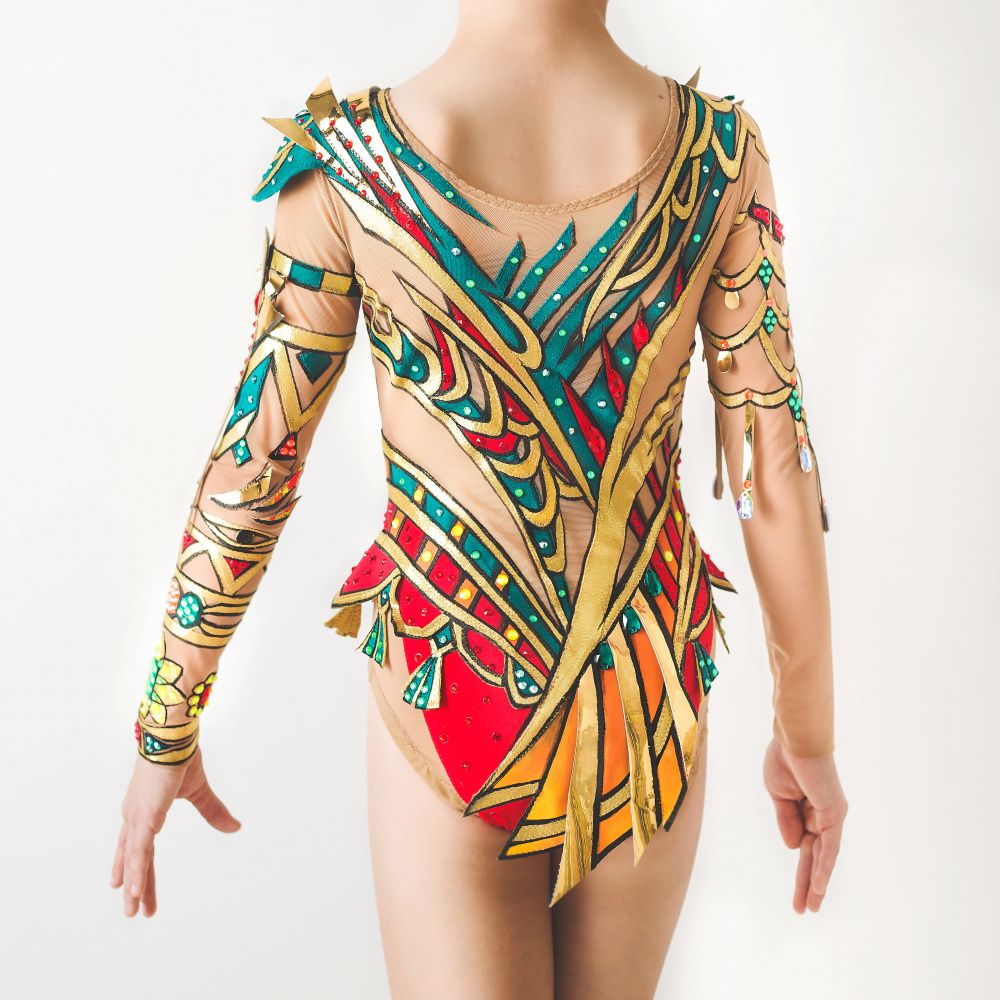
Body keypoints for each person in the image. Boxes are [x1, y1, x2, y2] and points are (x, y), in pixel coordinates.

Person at [111, 1, 848, 995]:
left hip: (451, 675)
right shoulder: (719, 156)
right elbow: (772, 466)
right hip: (645, 691)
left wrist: (168, 721)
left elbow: (259, 464)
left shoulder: (348, 164)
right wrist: (807, 736)